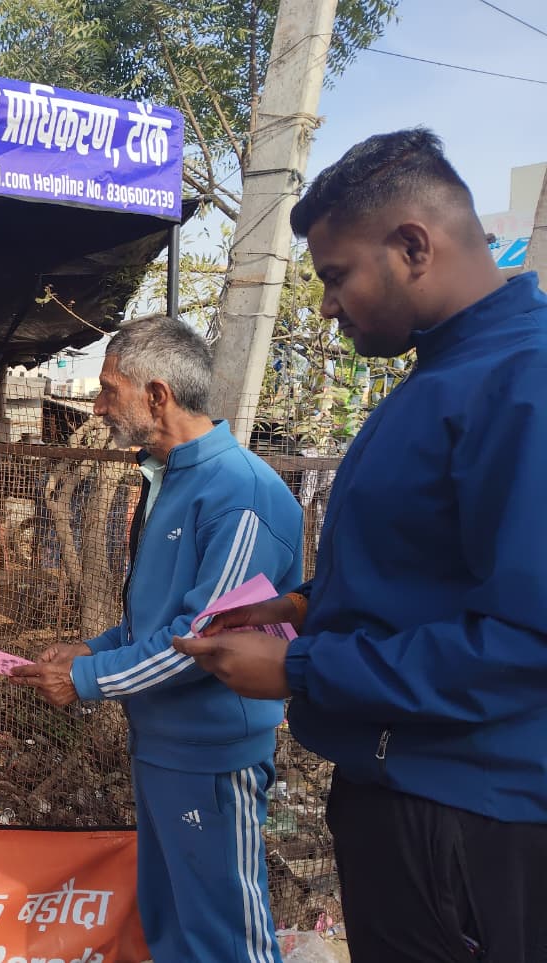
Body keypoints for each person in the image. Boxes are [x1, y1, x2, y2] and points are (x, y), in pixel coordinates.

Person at [175, 129, 547, 962]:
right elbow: (431, 568)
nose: (326, 306)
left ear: (413, 246)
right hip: (404, 789)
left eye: (336, 276)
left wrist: (300, 668)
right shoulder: (443, 374)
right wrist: (302, 606)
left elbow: (527, 639)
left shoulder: (524, 381)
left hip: (466, 816)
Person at [11, 316, 303, 963]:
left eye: (108, 389)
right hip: (163, 747)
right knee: (172, 928)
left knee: (225, 938)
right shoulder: (170, 479)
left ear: (157, 395)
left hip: (212, 757)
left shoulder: (241, 493)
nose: (97, 405)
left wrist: (84, 678)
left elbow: (204, 638)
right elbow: (158, 620)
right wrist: (92, 649)